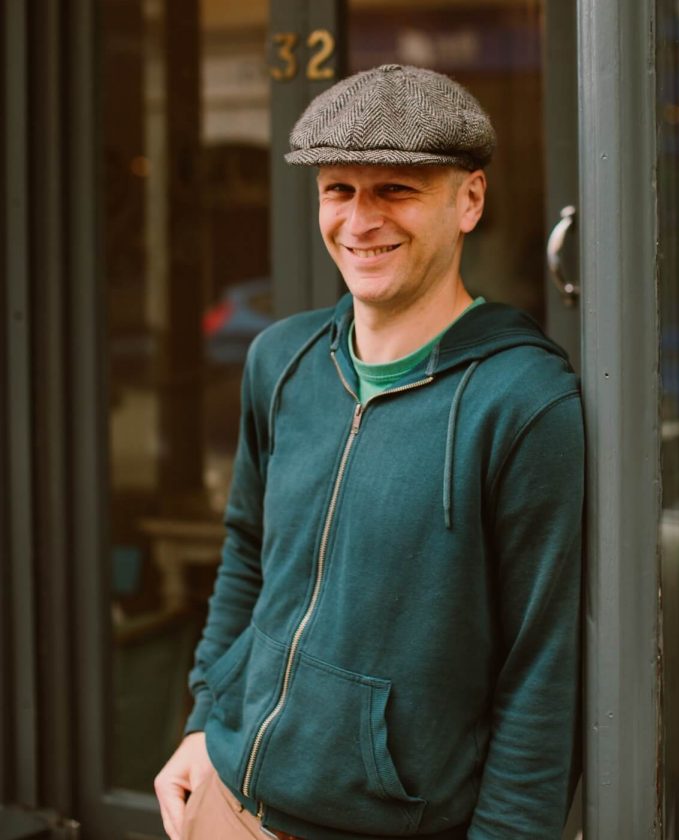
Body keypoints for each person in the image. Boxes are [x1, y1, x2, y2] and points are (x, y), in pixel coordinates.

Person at [155, 63, 584, 840]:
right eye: (339, 190)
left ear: (470, 200)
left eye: (396, 190)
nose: (360, 221)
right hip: (227, 804)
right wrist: (203, 722)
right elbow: (250, 553)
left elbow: (542, 672)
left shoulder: (525, 402)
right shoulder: (280, 359)